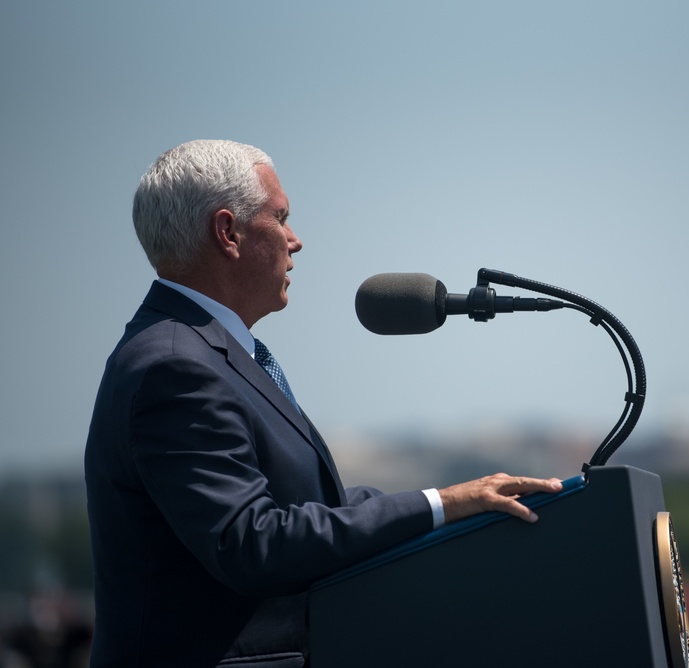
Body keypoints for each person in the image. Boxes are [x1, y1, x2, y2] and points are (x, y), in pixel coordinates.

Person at [84, 139, 563, 667]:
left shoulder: (206, 355)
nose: (296, 240)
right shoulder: (175, 367)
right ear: (228, 233)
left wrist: (452, 503)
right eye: (280, 217)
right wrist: (442, 504)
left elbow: (310, 505)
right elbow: (254, 543)